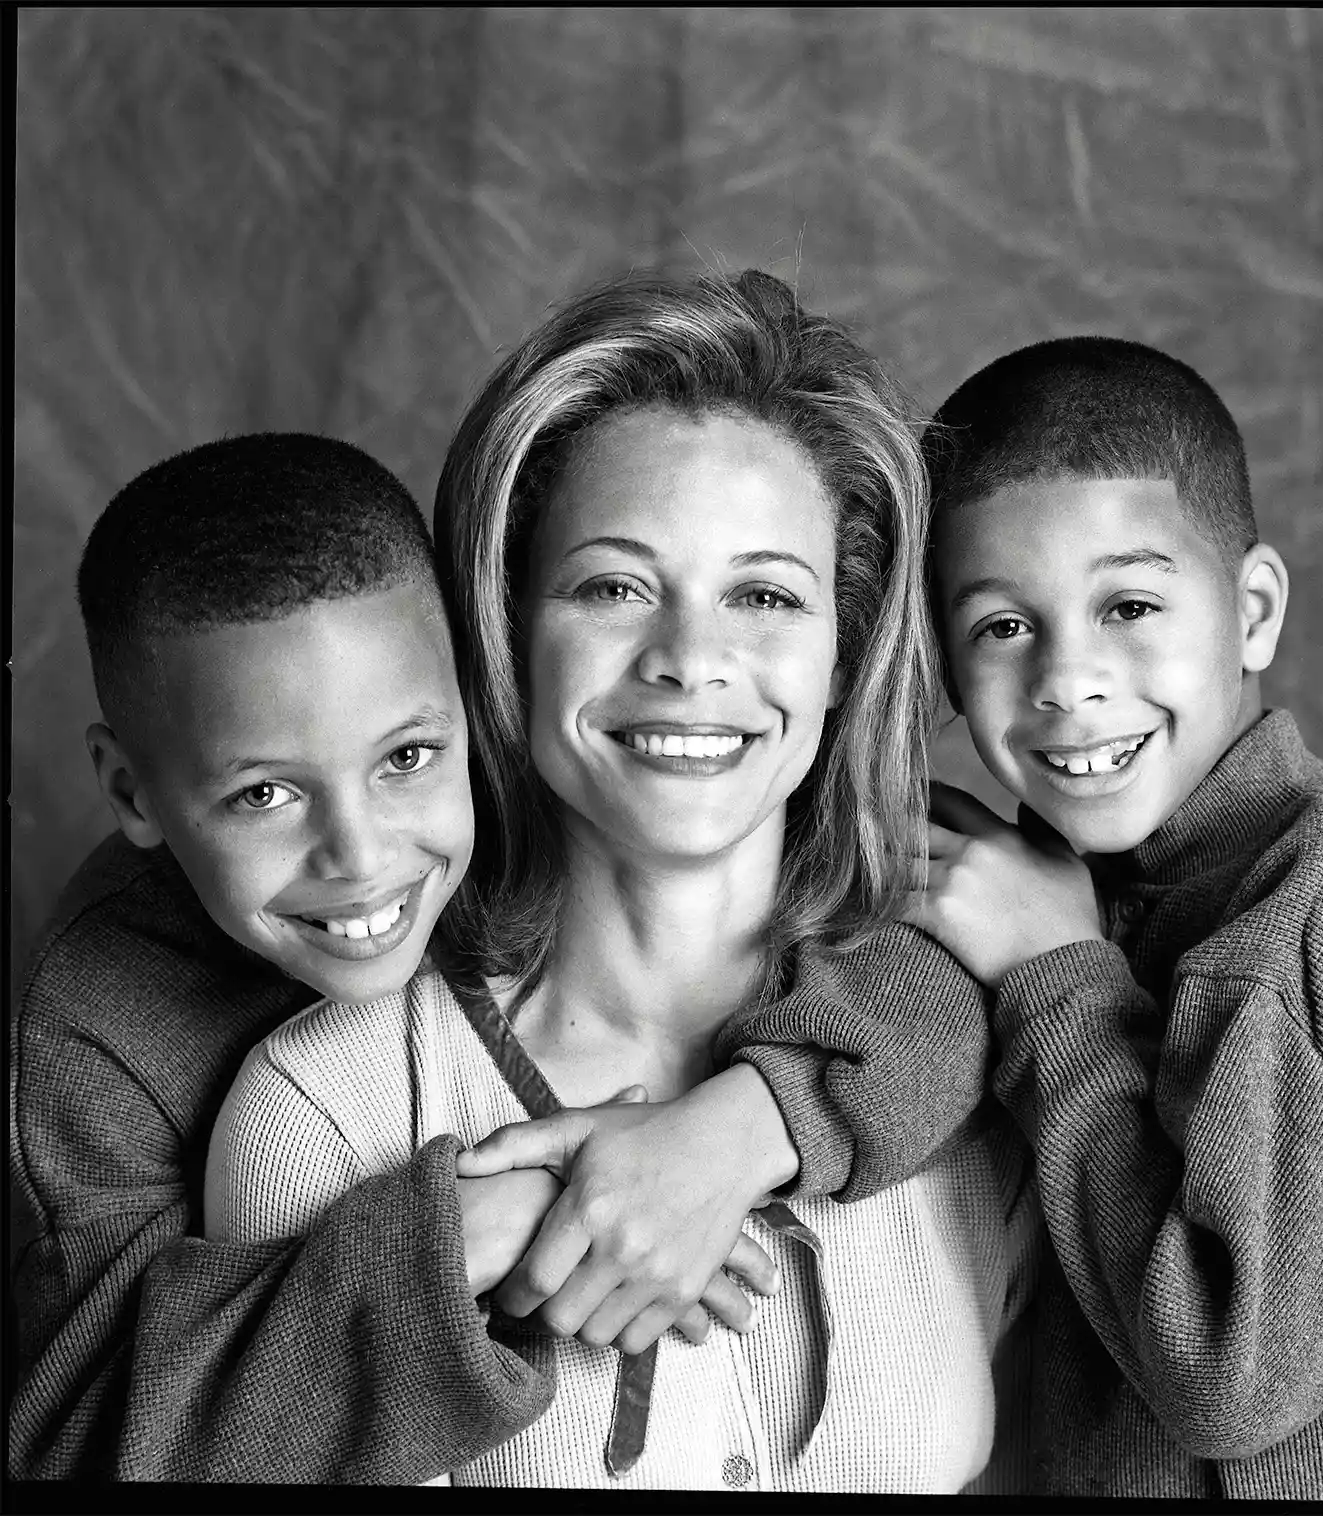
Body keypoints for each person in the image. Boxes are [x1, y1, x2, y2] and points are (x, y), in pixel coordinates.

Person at [9, 432, 993, 1483]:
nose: (363, 855)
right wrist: (476, 1235)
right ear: (507, 644)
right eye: (263, 795)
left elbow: (959, 959)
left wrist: (747, 1127)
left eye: (405, 758)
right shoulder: (115, 1011)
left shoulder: (901, 915)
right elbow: (86, 1448)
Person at [205, 269, 1040, 1493]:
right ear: (509, 628)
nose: (692, 660)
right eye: (612, 587)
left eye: (764, 595)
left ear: (844, 651)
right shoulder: (325, 1113)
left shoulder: (976, 1063)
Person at [909, 335, 1323, 1502]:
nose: (1068, 680)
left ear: (1254, 610)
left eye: (1128, 603)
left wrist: (1062, 979)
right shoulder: (1046, 886)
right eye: (1003, 626)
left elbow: (1234, 1371)